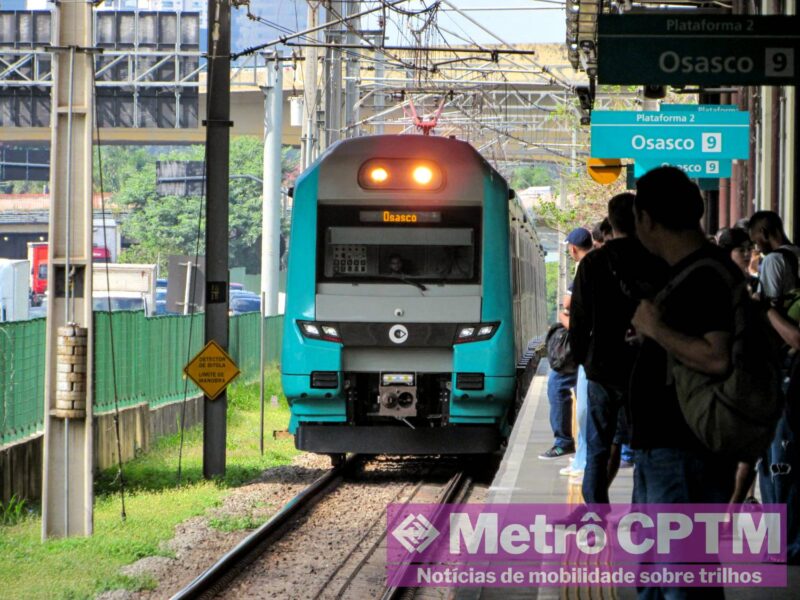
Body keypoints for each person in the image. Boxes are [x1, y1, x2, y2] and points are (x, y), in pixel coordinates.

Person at [629, 167, 741, 599]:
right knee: (661, 579)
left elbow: (716, 356)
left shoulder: (705, 276)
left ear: (647, 219)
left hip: (684, 453)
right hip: (668, 452)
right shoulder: (695, 272)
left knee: (682, 583)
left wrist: (656, 329)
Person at [569, 193, 667, 504]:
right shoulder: (654, 260)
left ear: (610, 222)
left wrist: (585, 359)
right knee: (644, 445)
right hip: (644, 366)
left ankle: (595, 511)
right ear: (639, 220)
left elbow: (579, 320)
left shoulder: (593, 263)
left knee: (597, 445)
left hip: (602, 367)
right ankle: (641, 514)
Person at [540, 228, 592, 460]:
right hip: (592, 344)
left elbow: (568, 303)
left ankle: (564, 442)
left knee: (557, 385)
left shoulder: (586, 265)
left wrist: (563, 314)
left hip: (583, 345)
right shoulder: (597, 261)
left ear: (572, 248)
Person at [748, 210, 800, 301]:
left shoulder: (772, 259)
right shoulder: (797, 251)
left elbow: (770, 302)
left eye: (755, 242)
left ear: (763, 233)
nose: (757, 249)